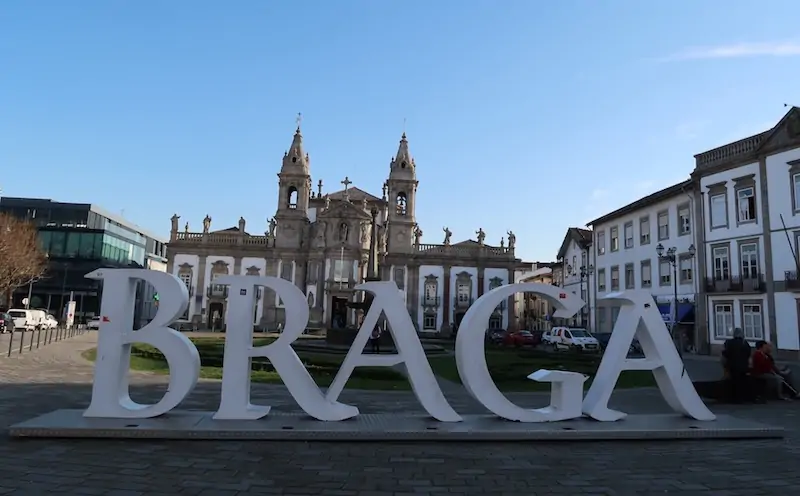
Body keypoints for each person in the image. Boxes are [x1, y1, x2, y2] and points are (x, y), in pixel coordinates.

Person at [722, 327, 752, 403]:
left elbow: (726, 353)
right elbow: (748, 354)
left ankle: (734, 398)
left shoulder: (729, 342)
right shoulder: (745, 343)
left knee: (734, 382)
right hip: (743, 366)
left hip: (733, 365)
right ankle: (742, 398)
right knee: (742, 382)